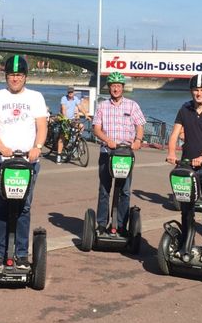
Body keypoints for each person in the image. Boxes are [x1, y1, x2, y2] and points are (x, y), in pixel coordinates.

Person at [0, 55, 48, 269]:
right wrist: (0, 147)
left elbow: (42, 126)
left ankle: (21, 254)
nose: (15, 79)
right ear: (6, 76)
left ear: (25, 77)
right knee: (1, 206)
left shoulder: (36, 97)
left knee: (23, 208)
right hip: (0, 161)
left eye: (19, 75)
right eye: (11, 75)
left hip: (26, 163)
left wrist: (37, 148)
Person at [166, 74, 202, 247]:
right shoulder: (184, 110)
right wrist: (171, 152)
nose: (198, 93)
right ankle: (186, 243)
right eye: (195, 90)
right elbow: (175, 133)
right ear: (191, 91)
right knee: (186, 209)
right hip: (186, 166)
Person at [92, 72, 145, 234]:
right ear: (109, 88)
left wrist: (138, 140)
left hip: (125, 154)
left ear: (123, 88)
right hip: (107, 153)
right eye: (113, 86)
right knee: (104, 189)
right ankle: (101, 224)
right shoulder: (102, 106)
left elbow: (140, 125)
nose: (115, 89)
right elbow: (96, 129)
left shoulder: (132, 105)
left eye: (118, 86)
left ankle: (121, 225)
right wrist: (107, 140)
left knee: (125, 190)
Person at [55, 86, 80, 163]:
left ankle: (74, 148)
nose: (70, 94)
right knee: (62, 137)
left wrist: (86, 115)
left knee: (79, 128)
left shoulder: (76, 99)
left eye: (71, 92)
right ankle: (58, 156)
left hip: (72, 119)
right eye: (69, 92)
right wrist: (65, 118)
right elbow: (63, 109)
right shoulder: (64, 98)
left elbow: (80, 106)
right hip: (64, 119)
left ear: (74, 92)